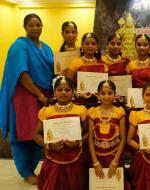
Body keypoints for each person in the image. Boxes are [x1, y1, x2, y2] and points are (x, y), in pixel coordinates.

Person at [0, 13, 54, 185]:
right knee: (24, 134)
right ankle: (26, 172)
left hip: (44, 96)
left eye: (38, 24)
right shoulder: (19, 46)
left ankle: (33, 168)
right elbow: (21, 74)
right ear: (25, 27)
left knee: (40, 133)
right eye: (31, 25)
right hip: (24, 95)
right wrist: (39, 95)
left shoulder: (46, 48)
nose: (35, 28)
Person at [34, 76, 88, 190]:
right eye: (59, 90)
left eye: (67, 90)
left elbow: (88, 133)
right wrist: (49, 145)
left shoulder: (81, 110)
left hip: (76, 157)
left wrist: (78, 142)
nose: (63, 93)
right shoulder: (46, 111)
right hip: (53, 157)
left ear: (73, 92)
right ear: (54, 92)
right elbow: (36, 135)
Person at [88, 80, 130, 190]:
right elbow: (90, 140)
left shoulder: (119, 112)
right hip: (97, 157)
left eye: (110, 93)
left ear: (115, 95)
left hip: (114, 156)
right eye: (103, 93)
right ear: (98, 95)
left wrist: (115, 161)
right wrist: (95, 162)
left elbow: (123, 139)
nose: (106, 96)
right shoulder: (92, 112)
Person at [66, 32, 105, 107]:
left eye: (93, 44)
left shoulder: (103, 64)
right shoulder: (74, 63)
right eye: (87, 43)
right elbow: (68, 86)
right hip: (79, 102)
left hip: (99, 102)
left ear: (97, 47)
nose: (90, 46)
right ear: (82, 46)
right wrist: (79, 95)